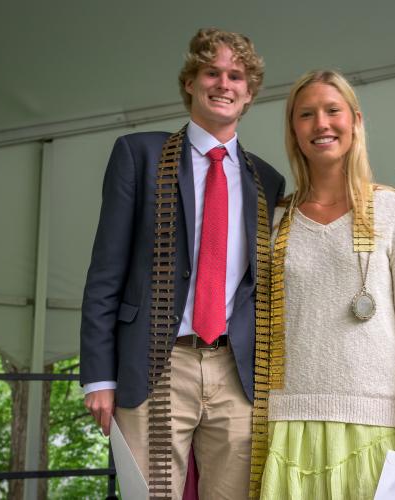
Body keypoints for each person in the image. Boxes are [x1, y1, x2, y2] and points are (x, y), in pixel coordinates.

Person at [80, 28, 285, 499]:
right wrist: (98, 375)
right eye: (211, 72)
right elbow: (105, 270)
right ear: (190, 81)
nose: (223, 84)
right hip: (156, 362)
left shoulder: (266, 180)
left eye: (236, 76)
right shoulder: (139, 155)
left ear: (249, 92)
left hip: (236, 372)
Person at [258, 70, 395, 499]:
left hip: (379, 424)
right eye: (306, 114)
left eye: (332, 110)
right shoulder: (274, 219)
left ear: (356, 121)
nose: (321, 123)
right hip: (288, 422)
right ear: (294, 131)